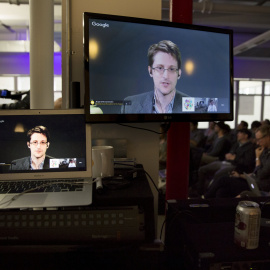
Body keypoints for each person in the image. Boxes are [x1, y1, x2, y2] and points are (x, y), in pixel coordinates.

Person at [121, 40, 188, 114]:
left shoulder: (197, 108)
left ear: (179, 73)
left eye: (171, 69)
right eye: (160, 68)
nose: (166, 76)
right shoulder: (130, 106)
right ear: (150, 71)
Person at [204, 124, 270, 198]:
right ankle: (212, 207)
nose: (257, 143)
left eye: (259, 139)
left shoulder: (259, 151)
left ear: (268, 137)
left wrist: (257, 158)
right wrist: (240, 176)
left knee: (223, 180)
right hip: (254, 182)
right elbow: (255, 174)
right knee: (222, 191)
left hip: (261, 187)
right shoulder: (264, 150)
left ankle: (204, 200)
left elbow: (261, 174)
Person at [195, 128, 255, 195]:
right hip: (225, 162)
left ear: (245, 135)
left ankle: (208, 193)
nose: (237, 135)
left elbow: (247, 161)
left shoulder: (250, 147)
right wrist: (229, 155)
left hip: (235, 165)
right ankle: (199, 192)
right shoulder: (237, 144)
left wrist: (234, 158)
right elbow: (231, 152)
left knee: (218, 174)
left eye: (240, 133)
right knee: (202, 169)